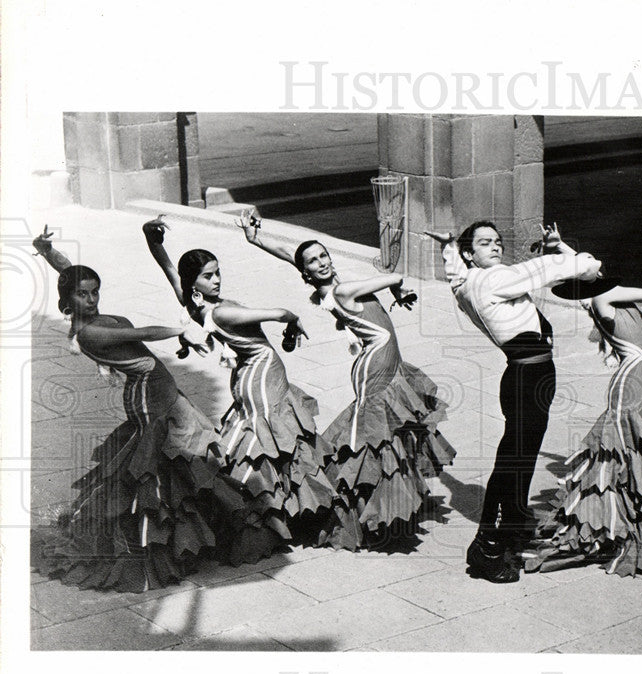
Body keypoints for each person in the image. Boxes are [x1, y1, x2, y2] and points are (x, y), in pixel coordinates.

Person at [31, 226, 271, 592]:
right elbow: (138, 333)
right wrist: (180, 331)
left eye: (95, 292)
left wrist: (48, 252)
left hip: (161, 393)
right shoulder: (90, 333)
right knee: (165, 471)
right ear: (68, 301)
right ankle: (162, 550)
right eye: (83, 295)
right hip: (150, 400)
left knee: (185, 465)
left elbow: (69, 273)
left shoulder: (90, 316)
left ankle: (189, 540)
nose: (92, 299)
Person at [236, 210, 455, 550]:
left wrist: (257, 238)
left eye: (323, 255)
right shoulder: (343, 292)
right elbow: (394, 275)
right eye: (313, 261)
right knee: (374, 440)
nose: (321, 262)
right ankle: (360, 513)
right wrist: (396, 285)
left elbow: (290, 256)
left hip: (384, 362)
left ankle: (380, 507)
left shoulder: (335, 287)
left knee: (387, 436)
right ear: (306, 271)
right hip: (375, 367)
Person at [142, 217, 343, 553]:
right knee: (277, 446)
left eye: (217, 272)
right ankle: (279, 520)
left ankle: (281, 514)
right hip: (263, 376)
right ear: (195, 282)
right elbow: (278, 313)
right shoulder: (220, 314)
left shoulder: (191, 302)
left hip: (247, 377)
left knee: (265, 446)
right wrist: (292, 320)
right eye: (208, 276)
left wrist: (152, 236)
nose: (217, 280)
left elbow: (165, 264)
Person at [427, 223, 603, 583]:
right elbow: (549, 270)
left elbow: (455, 278)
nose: (495, 247)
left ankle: (512, 527)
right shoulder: (494, 279)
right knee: (512, 461)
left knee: (517, 458)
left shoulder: (466, 284)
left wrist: (448, 249)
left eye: (497, 242)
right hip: (529, 379)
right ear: (470, 253)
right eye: (484, 243)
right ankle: (486, 548)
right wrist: (585, 261)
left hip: (523, 376)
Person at [522, 264, 642, 577]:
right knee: (617, 460)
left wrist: (560, 247)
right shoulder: (604, 297)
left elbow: (583, 267)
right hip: (631, 386)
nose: (597, 264)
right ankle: (612, 526)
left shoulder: (605, 295)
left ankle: (635, 514)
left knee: (638, 454)